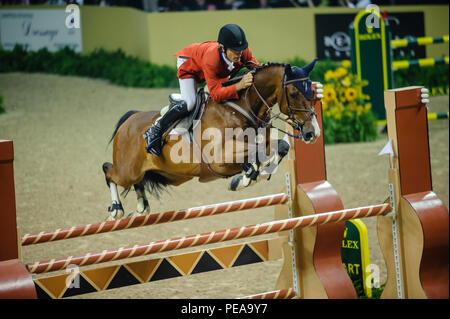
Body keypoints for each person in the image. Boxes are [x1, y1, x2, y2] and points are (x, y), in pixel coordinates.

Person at [144, 23, 261, 156]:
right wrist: (239, 85)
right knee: (190, 103)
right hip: (189, 65)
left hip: (213, 67)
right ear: (223, 48)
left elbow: (257, 68)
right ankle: (155, 130)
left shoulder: (241, 52)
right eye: (235, 50)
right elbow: (216, 94)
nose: (239, 53)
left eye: (241, 49)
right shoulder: (212, 59)